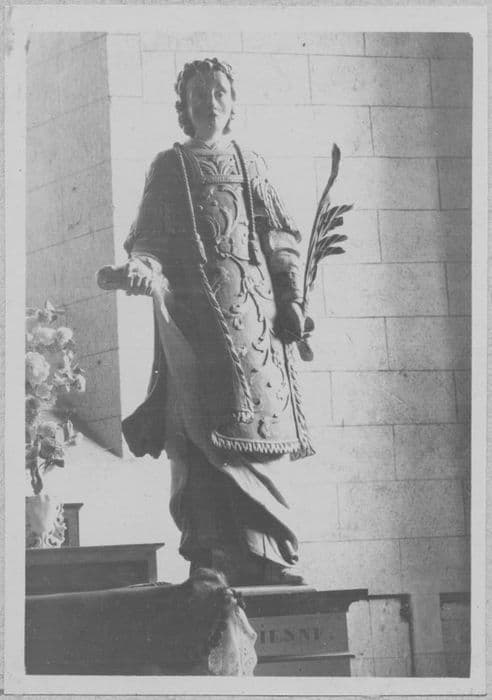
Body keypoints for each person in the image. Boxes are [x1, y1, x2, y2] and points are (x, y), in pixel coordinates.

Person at [121, 58, 314, 586]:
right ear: (183, 105)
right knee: (200, 438)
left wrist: (292, 299)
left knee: (260, 440)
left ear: (233, 102)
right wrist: (142, 268)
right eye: (199, 92)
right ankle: (211, 558)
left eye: (220, 91)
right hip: (196, 329)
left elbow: (280, 239)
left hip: (255, 329)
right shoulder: (169, 165)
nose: (210, 101)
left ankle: (269, 557)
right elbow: (148, 241)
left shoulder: (252, 163)